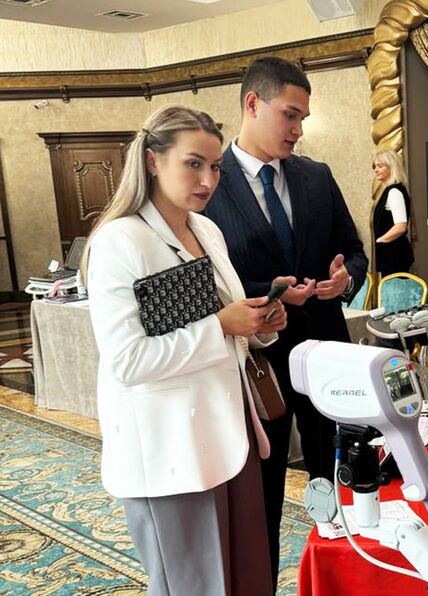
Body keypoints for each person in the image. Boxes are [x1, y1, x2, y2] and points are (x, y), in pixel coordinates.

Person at [84, 105, 288, 596]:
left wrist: (258, 324)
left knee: (246, 576)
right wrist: (221, 325)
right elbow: (129, 361)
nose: (207, 180)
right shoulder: (120, 240)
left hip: (230, 431)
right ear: (153, 160)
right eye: (193, 164)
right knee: (193, 584)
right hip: (169, 446)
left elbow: (224, 320)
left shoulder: (206, 230)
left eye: (215, 167)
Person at [202, 56, 368, 582]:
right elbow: (208, 281)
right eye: (290, 116)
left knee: (337, 480)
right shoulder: (209, 184)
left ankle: (340, 579)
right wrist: (271, 294)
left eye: (303, 119)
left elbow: (354, 251)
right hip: (258, 362)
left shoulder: (317, 176)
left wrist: (345, 280)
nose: (299, 130)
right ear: (253, 104)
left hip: (325, 354)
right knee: (263, 491)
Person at [372, 149, 415, 276]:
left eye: (380, 166)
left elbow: (400, 227)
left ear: (391, 167)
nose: (376, 170)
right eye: (375, 166)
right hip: (390, 255)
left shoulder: (394, 192)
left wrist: (380, 240)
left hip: (395, 256)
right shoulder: (390, 190)